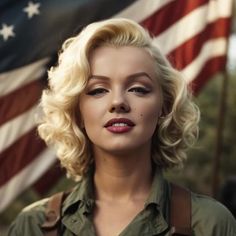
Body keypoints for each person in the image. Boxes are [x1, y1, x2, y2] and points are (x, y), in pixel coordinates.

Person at [7, 18, 236, 236]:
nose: (118, 102)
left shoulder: (210, 223)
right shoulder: (32, 225)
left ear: (164, 107)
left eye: (138, 88)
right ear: (77, 113)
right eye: (98, 90)